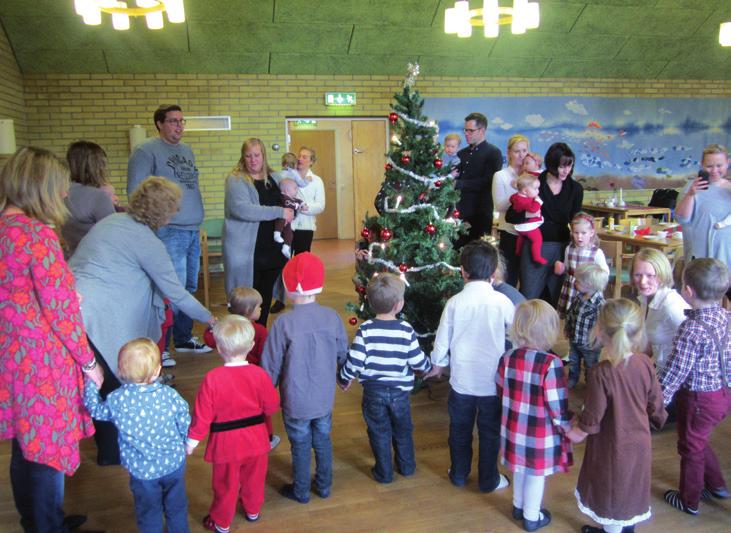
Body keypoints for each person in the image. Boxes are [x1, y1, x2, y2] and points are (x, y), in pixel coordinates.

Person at [70, 177, 214, 464]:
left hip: (71, 309)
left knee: (96, 384)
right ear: (164, 213)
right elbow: (177, 294)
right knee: (113, 383)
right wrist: (212, 319)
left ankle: (104, 446)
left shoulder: (111, 222)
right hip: (98, 317)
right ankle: (112, 454)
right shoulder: (146, 241)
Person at [1, 146, 103, 532]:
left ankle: (37, 521)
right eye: (60, 187)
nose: (64, 195)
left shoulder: (4, 229)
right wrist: (90, 363)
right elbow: (62, 313)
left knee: (24, 446)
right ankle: (48, 525)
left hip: (10, 355)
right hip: (41, 360)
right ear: (42, 187)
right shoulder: (36, 235)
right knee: (48, 451)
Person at [567, 299, 667, 533]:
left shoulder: (601, 373)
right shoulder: (645, 363)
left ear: (599, 332)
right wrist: (658, 419)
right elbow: (656, 402)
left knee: (612, 491)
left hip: (612, 445)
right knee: (630, 488)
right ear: (638, 331)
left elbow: (592, 417)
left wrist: (576, 433)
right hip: (640, 443)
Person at [261, 252, 348, 504]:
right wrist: (344, 378)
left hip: (295, 400)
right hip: (323, 398)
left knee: (299, 444)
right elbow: (343, 352)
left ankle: (300, 491)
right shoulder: (331, 316)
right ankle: (324, 486)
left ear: (288, 289)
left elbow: (270, 365)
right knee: (322, 439)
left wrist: (265, 395)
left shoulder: (282, 323)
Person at [428, 240, 515, 492]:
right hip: (492, 384)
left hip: (462, 383)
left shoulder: (454, 302)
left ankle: (458, 473)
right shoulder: (502, 302)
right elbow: (518, 334)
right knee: (489, 434)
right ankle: (489, 479)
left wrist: (437, 364)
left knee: (459, 430)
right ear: (494, 271)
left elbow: (442, 337)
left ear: (463, 270)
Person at [84, 338, 191, 533]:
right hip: (173, 463)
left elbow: (95, 410)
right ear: (157, 371)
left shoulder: (117, 400)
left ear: (120, 371)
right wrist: (185, 441)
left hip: (142, 472)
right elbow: (184, 419)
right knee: (176, 505)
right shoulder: (169, 395)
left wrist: (91, 384)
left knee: (148, 511)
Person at [127, 104, 210, 355]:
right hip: (169, 230)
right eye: (173, 121)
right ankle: (162, 347)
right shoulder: (145, 150)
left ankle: (183, 339)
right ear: (159, 124)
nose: (179, 126)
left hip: (192, 229)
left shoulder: (186, 150)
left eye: (182, 121)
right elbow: (135, 192)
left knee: (189, 287)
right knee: (170, 289)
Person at [187, 315, 280, 530]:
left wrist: (192, 442)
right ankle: (253, 510)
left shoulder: (213, 378)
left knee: (225, 484)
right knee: (255, 479)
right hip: (257, 439)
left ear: (219, 348)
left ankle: (221, 522)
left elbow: (202, 416)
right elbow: (272, 406)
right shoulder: (259, 374)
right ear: (251, 345)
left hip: (226, 444)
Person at [338, 273, 432, 484]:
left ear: (370, 303)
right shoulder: (406, 330)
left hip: (373, 393)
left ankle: (384, 473)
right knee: (403, 430)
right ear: (399, 305)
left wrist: (344, 378)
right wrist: (426, 368)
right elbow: (417, 360)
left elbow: (355, 361)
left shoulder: (365, 330)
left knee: (379, 432)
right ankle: (407, 467)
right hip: (400, 394)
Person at [659, 258, 731, 516]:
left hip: (698, 399)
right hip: (723, 394)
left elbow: (677, 371)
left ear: (687, 291)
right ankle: (717, 486)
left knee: (690, 446)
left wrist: (657, 400)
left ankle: (689, 500)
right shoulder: (726, 317)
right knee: (699, 439)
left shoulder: (691, 329)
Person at [497, 299, 573, 533]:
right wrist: (566, 426)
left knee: (519, 468)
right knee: (536, 475)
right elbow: (557, 404)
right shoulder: (551, 364)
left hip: (512, 428)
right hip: (540, 434)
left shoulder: (508, 357)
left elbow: (500, 387)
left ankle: (518, 506)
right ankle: (531, 517)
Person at [222, 138, 294, 326]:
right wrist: (279, 212)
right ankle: (242, 339)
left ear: (263, 155)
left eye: (257, 155)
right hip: (248, 253)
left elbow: (290, 200)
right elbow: (243, 209)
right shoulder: (236, 179)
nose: (253, 160)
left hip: (272, 250)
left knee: (264, 297)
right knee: (245, 301)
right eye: (248, 156)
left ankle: (259, 335)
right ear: (243, 157)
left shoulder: (274, 178)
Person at [202, 286, 281, 450]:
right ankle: (268, 437)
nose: (261, 309)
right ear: (248, 310)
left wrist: (211, 327)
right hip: (254, 376)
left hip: (230, 372)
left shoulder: (226, 328)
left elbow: (209, 339)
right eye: (259, 306)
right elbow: (265, 355)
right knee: (260, 407)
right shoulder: (258, 330)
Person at [516, 143, 584, 305]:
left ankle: (552, 330)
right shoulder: (534, 182)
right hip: (534, 245)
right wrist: (528, 212)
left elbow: (575, 220)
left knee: (557, 297)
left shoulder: (575, 188)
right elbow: (514, 213)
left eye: (569, 166)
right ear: (552, 164)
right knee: (529, 295)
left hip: (561, 247)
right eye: (562, 166)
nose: (566, 171)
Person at [675, 144, 731, 275]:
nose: (714, 170)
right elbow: (681, 218)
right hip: (701, 258)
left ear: (727, 163)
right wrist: (691, 194)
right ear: (702, 164)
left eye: (719, 165)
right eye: (709, 166)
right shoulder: (692, 187)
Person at [631, 248, 689, 373]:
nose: (643, 282)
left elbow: (694, 346)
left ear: (662, 275)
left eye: (650, 275)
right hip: (661, 367)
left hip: (677, 375)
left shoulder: (671, 307)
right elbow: (648, 342)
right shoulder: (645, 299)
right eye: (638, 275)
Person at [454, 112, 503, 247]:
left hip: (480, 214)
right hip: (459, 213)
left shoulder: (493, 153)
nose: (466, 134)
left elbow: (488, 181)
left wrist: (459, 183)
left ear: (482, 130)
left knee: (477, 254)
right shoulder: (461, 153)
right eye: (465, 130)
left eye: (470, 130)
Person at [61, 140, 116, 256]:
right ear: (97, 166)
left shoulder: (60, 193)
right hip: (94, 261)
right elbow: (114, 235)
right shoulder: (98, 197)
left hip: (69, 259)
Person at [555, 213, 609, 319]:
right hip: (571, 288)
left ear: (591, 233)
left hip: (589, 289)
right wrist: (561, 267)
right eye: (576, 233)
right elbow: (566, 267)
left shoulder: (596, 252)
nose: (579, 236)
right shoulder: (569, 249)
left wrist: (592, 278)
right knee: (571, 316)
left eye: (583, 233)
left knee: (587, 316)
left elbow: (605, 273)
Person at [492, 134, 530, 286]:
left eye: (524, 150)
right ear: (509, 153)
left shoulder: (533, 176)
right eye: (517, 151)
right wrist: (520, 195)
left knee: (528, 280)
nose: (521, 155)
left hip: (529, 233)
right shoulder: (500, 176)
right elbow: (500, 205)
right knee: (509, 278)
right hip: (510, 232)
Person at [564, 263, 608, 389]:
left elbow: (603, 325)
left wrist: (600, 341)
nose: (574, 282)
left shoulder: (600, 304)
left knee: (591, 365)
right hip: (575, 339)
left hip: (590, 344)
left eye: (578, 281)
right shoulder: (578, 298)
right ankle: (572, 379)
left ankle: (591, 384)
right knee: (573, 362)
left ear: (589, 284)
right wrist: (567, 329)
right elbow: (570, 314)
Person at [291, 146, 326, 255]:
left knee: (302, 258)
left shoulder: (317, 180)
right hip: (288, 224)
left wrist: (303, 207)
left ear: (311, 162)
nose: (300, 159)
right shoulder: (289, 176)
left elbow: (320, 205)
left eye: (304, 157)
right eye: (299, 156)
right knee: (284, 258)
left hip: (306, 226)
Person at [509, 174, 547, 265]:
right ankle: (537, 257)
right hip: (529, 226)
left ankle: (518, 250)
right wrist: (538, 201)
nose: (538, 191)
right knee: (537, 239)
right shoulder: (524, 201)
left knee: (521, 237)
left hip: (521, 227)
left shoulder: (516, 196)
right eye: (535, 189)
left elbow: (511, 199)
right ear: (525, 191)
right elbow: (533, 209)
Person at [273, 178, 304, 259]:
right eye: (295, 188)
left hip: (288, 221)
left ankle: (286, 247)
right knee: (281, 219)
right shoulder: (284, 198)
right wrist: (298, 206)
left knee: (289, 234)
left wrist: (303, 204)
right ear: (286, 190)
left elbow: (298, 201)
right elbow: (289, 204)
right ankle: (277, 234)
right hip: (281, 218)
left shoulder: (291, 198)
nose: (297, 190)